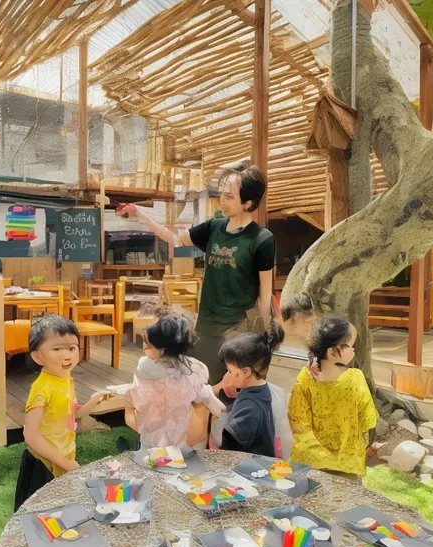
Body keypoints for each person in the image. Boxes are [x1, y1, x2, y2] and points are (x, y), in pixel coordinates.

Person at [116, 161, 275, 385]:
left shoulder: (262, 239)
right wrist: (140, 214)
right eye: (222, 194)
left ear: (248, 203)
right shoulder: (214, 228)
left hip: (238, 326)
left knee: (234, 386)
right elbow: (173, 238)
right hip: (207, 323)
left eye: (230, 196)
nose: (222, 199)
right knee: (201, 383)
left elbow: (266, 294)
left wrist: (265, 337)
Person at [14, 315, 104, 511]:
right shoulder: (42, 387)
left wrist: (93, 401)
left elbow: (71, 413)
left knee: (63, 509)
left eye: (72, 348)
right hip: (43, 463)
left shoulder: (65, 379)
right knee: (42, 513)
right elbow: (30, 435)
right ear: (37, 356)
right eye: (57, 349)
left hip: (64, 454)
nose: (67, 355)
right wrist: (66, 462)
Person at [119, 311, 226, 450]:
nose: (144, 346)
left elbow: (137, 403)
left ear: (162, 350)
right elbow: (204, 396)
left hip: (152, 440)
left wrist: (128, 401)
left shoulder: (144, 370)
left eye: (148, 344)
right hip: (183, 441)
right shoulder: (194, 369)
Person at [288, 314, 378, 478]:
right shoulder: (355, 379)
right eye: (348, 345)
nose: (353, 349)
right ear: (332, 351)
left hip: (309, 464)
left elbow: (298, 422)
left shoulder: (304, 378)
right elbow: (368, 420)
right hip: (346, 466)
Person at [216, 321, 285, 456]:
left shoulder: (251, 407)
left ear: (245, 372)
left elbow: (232, 446)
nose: (227, 376)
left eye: (230, 371)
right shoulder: (259, 389)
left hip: (251, 469)